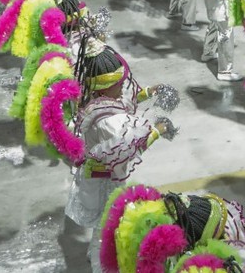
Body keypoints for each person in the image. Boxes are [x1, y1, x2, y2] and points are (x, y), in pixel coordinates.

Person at [64, 38, 177, 242]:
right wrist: (157, 131)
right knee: (108, 224)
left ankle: (97, 254)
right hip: (104, 179)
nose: (123, 85)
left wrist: (149, 92)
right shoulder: (109, 120)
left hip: (95, 172)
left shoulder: (93, 98)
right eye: (118, 84)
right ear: (104, 88)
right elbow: (129, 149)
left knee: (104, 222)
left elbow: (124, 102)